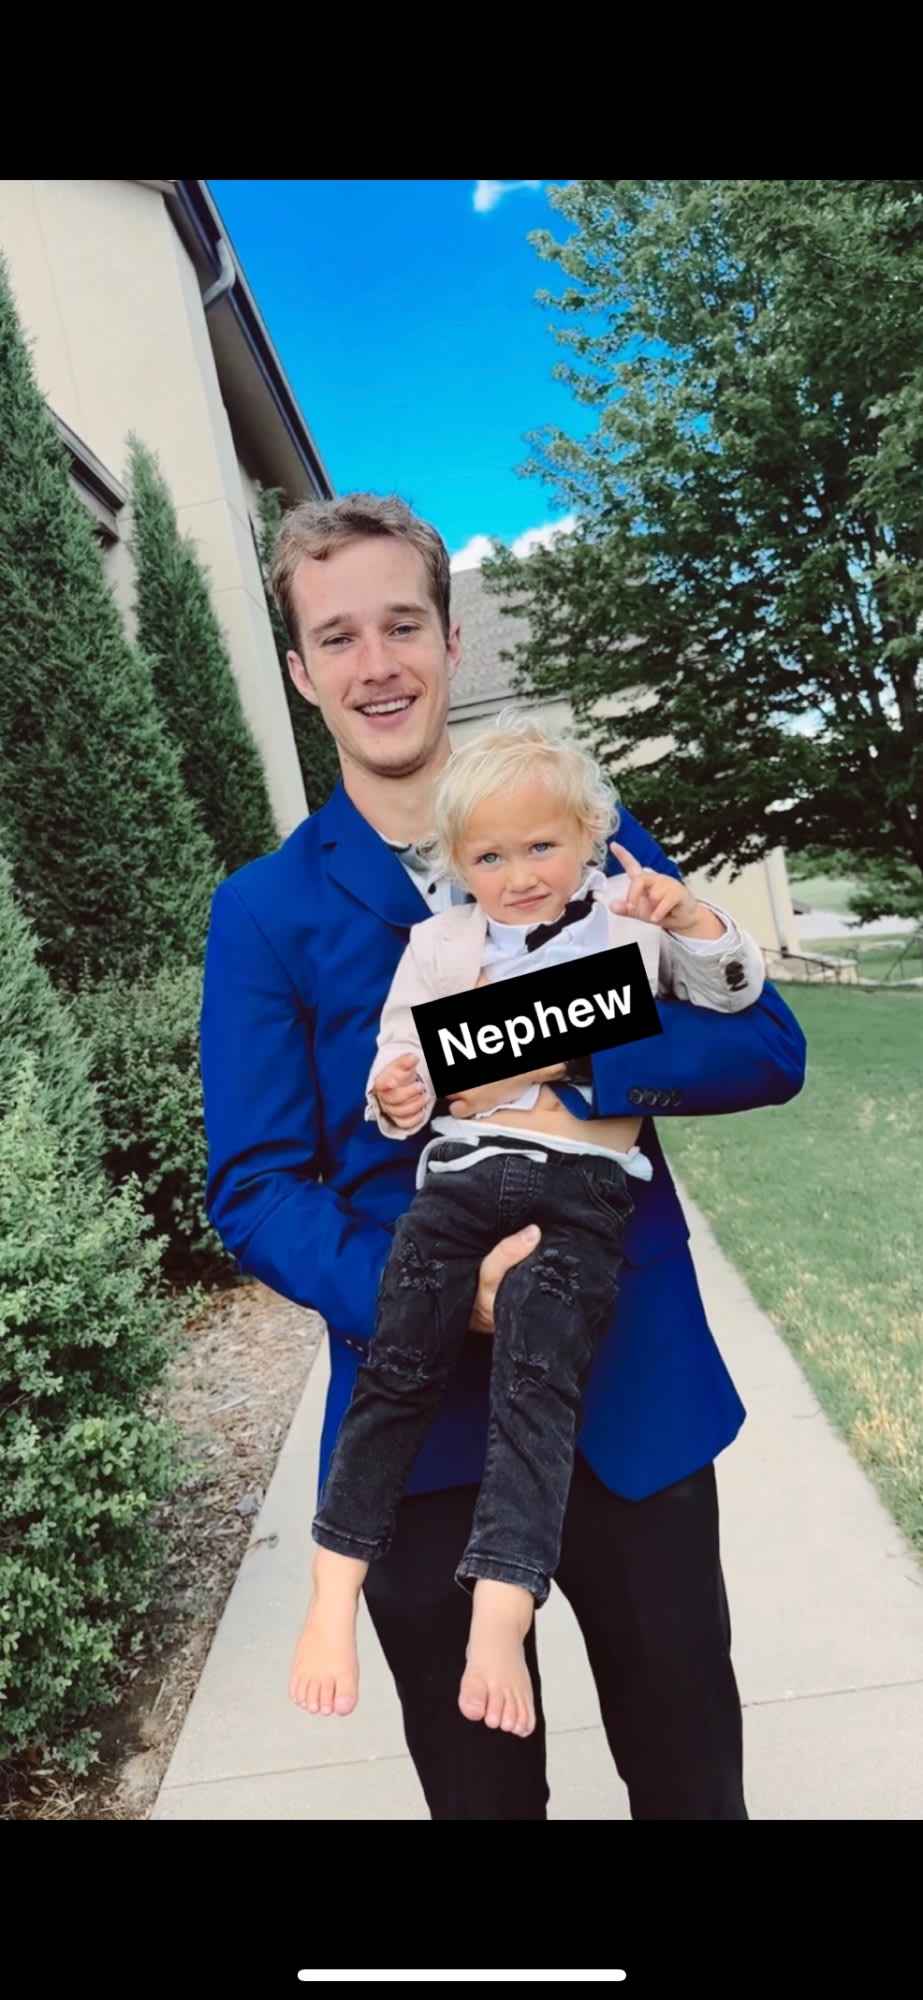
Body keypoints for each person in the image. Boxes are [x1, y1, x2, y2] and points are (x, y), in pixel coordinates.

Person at [199, 492, 806, 1820]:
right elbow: (251, 1187)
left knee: (692, 1783)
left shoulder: (580, 830)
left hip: (628, 1391)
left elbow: (763, 1042)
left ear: (450, 638)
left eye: (401, 625)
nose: (376, 664)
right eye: (338, 637)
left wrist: (568, 1062)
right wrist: (437, 1293)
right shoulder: (264, 911)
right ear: (301, 669)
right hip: (423, 1439)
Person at [292, 714, 766, 1740]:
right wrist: (402, 1089)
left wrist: (690, 917)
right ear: (459, 863)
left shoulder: (629, 927)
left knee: (537, 1380)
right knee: (399, 1355)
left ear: (589, 835)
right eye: (490, 858)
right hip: (462, 1182)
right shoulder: (439, 945)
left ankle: (500, 1609)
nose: (516, 876)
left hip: (581, 1195)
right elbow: (396, 1071)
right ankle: (333, 1580)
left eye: (540, 848)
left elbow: (737, 1000)